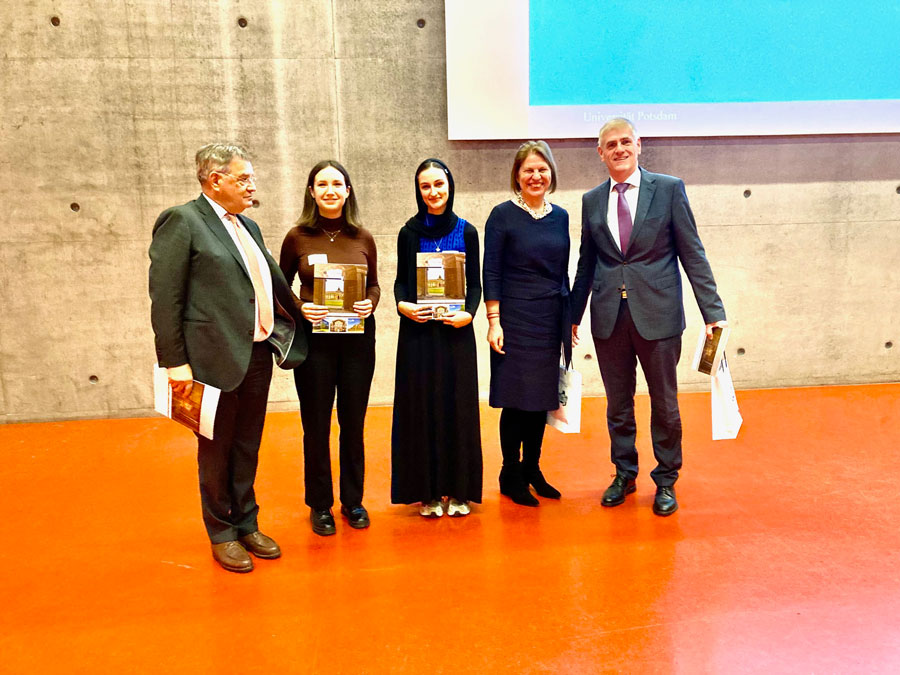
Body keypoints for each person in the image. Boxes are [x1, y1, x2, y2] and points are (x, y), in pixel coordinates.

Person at [149, 142, 307, 573]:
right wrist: (174, 362)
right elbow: (166, 299)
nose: (251, 185)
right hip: (210, 360)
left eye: (251, 178)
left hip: (256, 355)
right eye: (243, 178)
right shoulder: (183, 221)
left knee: (247, 445)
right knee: (216, 449)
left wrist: (298, 313)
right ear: (214, 181)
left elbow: (267, 286)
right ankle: (221, 531)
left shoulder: (248, 227)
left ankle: (246, 522)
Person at [571, 118, 727, 516]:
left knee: (665, 404)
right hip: (608, 318)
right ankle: (624, 473)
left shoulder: (669, 190)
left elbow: (693, 253)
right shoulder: (591, 201)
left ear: (639, 145)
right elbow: (586, 264)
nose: (619, 149)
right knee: (617, 405)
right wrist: (571, 317)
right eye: (611, 144)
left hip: (658, 317)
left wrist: (713, 312)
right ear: (600, 152)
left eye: (626, 142)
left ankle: (666, 480)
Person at [279, 160, 379, 536]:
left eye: (338, 183)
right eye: (322, 184)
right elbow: (280, 286)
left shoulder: (363, 237)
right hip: (315, 345)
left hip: (357, 345)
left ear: (348, 191)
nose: (330, 190)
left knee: (353, 425)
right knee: (316, 426)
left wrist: (372, 303)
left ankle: (353, 501)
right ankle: (319, 504)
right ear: (312, 192)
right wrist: (302, 307)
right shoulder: (297, 237)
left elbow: (375, 286)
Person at [391, 158, 483, 518]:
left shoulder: (468, 231)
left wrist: (470, 314)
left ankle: (459, 490)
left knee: (457, 409)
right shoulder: (407, 232)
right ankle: (426, 492)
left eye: (439, 185)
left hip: (456, 335)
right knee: (420, 409)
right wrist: (403, 306)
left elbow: (474, 284)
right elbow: (400, 282)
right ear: (419, 191)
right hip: (417, 334)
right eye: (425, 186)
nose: (433, 192)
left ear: (450, 186)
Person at [482, 141, 571, 507]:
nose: (536, 176)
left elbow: (562, 272)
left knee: (540, 400)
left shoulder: (561, 216)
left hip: (549, 318)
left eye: (542, 169)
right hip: (514, 318)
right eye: (528, 170)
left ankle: (533, 468)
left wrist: (569, 322)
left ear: (551, 174)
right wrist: (494, 321)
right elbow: (492, 271)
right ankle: (510, 472)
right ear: (516, 177)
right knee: (516, 402)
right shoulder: (502, 215)